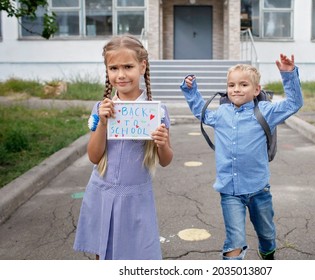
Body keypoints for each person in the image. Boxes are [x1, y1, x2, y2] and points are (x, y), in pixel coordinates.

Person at [180, 54, 303, 260]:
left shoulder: (265, 111)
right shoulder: (221, 113)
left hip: (258, 189)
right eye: (231, 85)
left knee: (266, 234)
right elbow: (201, 113)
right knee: (234, 240)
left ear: (256, 90)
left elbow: (293, 104)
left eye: (243, 84)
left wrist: (288, 74)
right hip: (230, 191)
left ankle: (267, 254)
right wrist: (191, 90)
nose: (236, 89)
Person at [73, 35, 173, 260]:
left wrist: (162, 142)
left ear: (142, 66)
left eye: (128, 66)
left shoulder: (157, 111)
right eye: (114, 68)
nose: (121, 74)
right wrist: (103, 124)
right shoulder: (101, 108)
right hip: (102, 193)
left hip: (136, 198)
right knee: (104, 254)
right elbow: (93, 156)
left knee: (137, 257)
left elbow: (166, 160)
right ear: (107, 70)